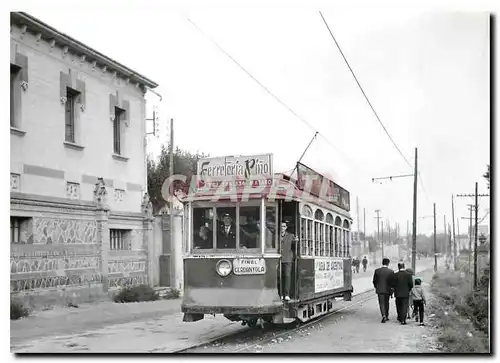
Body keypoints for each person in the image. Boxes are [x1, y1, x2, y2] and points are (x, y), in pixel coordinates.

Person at [372, 258, 394, 323]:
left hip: (380, 290)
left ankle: (383, 315)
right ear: (388, 263)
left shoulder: (377, 271)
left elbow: (374, 281)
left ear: (382, 263)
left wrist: (377, 287)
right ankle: (387, 316)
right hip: (388, 290)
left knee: (381, 303)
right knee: (387, 302)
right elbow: (392, 282)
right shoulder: (391, 271)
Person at [280, 221, 297, 301]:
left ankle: (286, 294)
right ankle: (280, 294)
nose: (282, 228)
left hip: (287, 259)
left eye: (283, 226)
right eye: (281, 226)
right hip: (279, 259)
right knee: (279, 277)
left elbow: (295, 247)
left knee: (287, 276)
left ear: (286, 227)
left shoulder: (291, 236)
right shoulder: (276, 236)